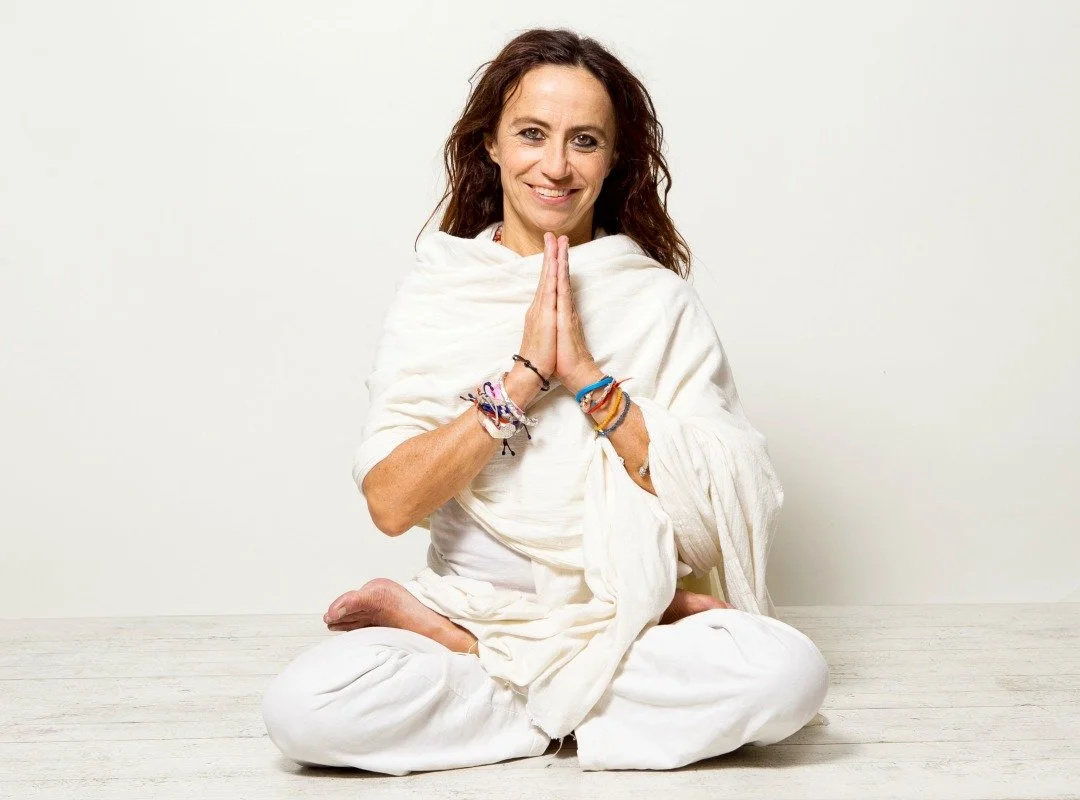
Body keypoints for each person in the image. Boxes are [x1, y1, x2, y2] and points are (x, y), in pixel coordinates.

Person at [261, 27, 829, 774]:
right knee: (304, 710)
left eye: (584, 141)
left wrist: (589, 380)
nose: (556, 166)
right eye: (532, 134)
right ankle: (505, 657)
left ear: (613, 158)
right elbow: (392, 503)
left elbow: (721, 499)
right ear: (491, 144)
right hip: (473, 601)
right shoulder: (443, 291)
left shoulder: (655, 300)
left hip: (619, 610)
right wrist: (523, 379)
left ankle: (519, 666)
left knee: (788, 676)